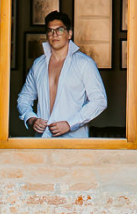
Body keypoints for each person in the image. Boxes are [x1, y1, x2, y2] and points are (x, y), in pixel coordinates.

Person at [17, 10, 107, 138]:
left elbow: (99, 101)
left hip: (73, 141)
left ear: (69, 34)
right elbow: (24, 98)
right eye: (50, 31)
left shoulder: (84, 64)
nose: (54, 34)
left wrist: (70, 124)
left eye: (59, 30)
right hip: (43, 139)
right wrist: (31, 118)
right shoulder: (38, 65)